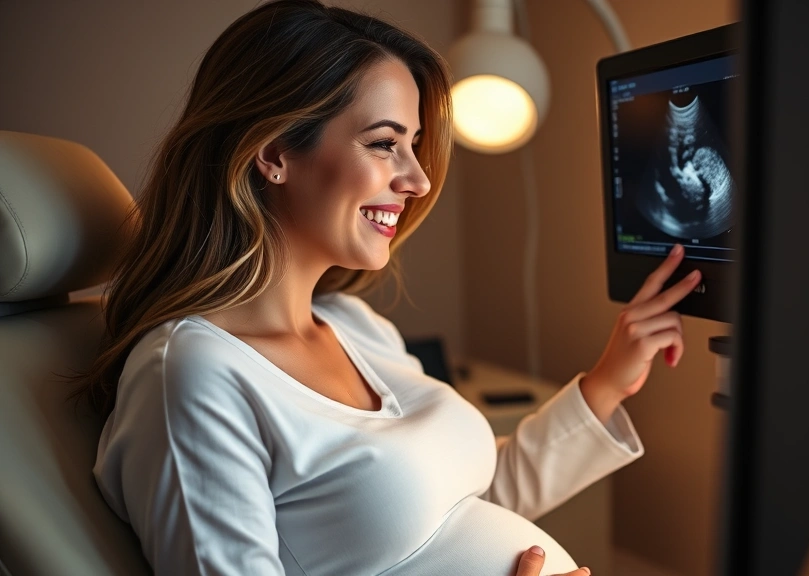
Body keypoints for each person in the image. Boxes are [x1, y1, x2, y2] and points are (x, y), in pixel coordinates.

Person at [73, 1, 703, 574]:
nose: (419, 181)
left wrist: (608, 379)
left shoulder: (353, 324)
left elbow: (462, 502)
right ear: (273, 152)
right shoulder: (192, 372)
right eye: (384, 144)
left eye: (416, 146)